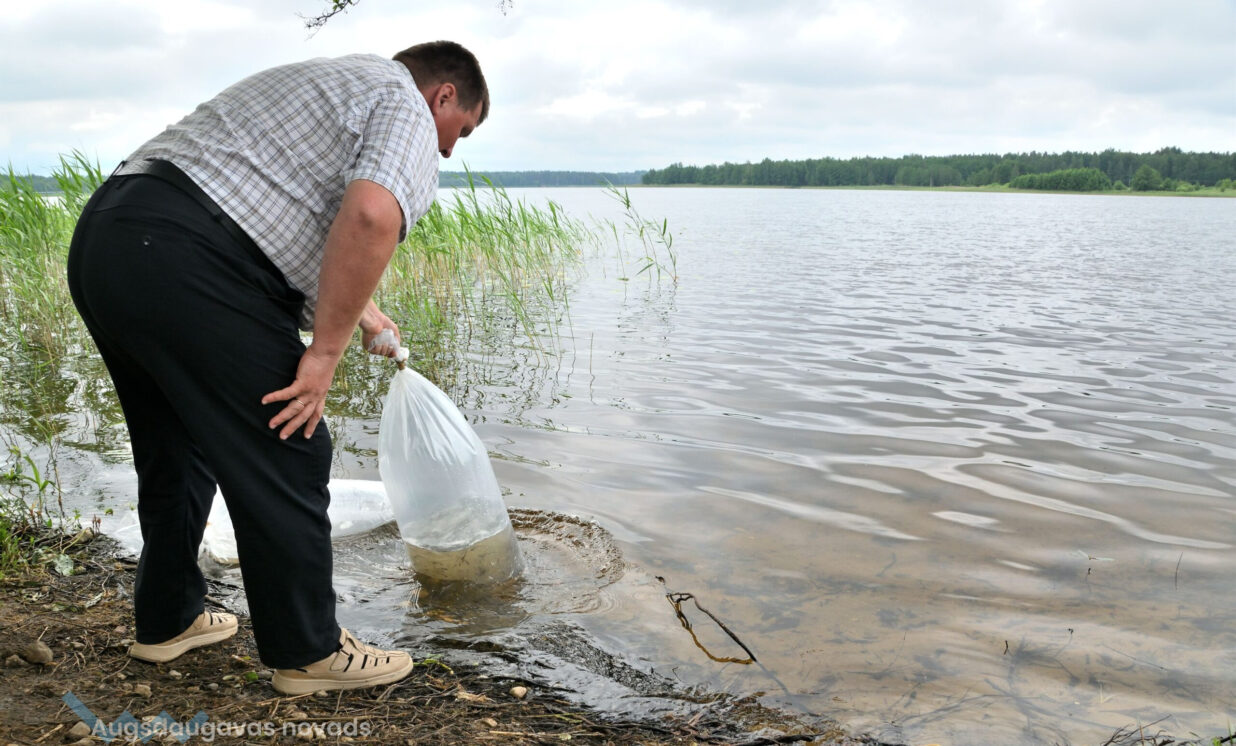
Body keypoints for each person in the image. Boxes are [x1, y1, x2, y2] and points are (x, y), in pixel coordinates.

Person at [66, 41, 487, 694]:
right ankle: (309, 651)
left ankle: (168, 620)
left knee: (176, 443)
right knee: (291, 437)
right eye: (460, 131)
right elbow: (371, 215)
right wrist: (323, 355)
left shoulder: (335, 82)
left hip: (112, 237)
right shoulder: (404, 102)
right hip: (188, 255)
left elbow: (272, 218)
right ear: (444, 95)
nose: (450, 150)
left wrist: (364, 315)